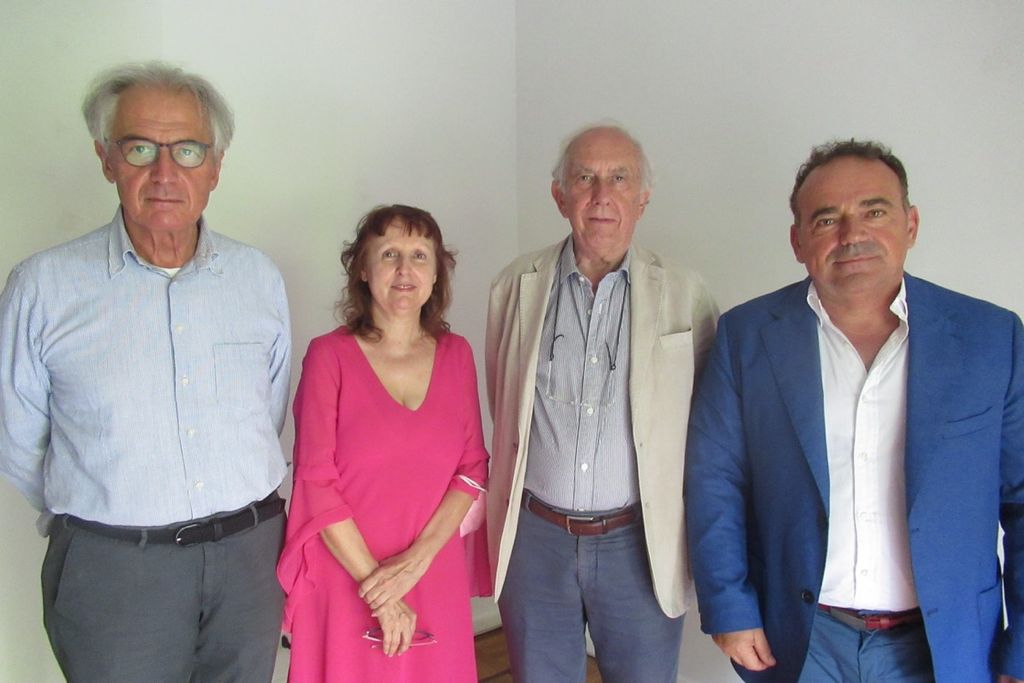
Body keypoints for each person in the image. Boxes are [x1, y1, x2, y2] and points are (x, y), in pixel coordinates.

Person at [685, 139, 1024, 682]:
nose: (852, 234)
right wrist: (728, 604)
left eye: (875, 211)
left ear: (911, 224)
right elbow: (714, 482)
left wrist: (1021, 648)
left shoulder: (992, 337)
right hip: (801, 641)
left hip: (947, 645)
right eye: (826, 220)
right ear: (798, 241)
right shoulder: (746, 336)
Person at [0, 62, 291, 681]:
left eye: (187, 150)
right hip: (116, 570)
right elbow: (18, 439)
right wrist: (103, 511)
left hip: (250, 562)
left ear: (215, 166)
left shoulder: (257, 277)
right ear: (106, 158)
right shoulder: (43, 287)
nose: (164, 172)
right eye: (139, 148)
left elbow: (266, 409)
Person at [485, 124, 718, 682]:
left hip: (639, 543)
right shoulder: (515, 285)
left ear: (643, 197)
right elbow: (503, 399)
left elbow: (707, 427)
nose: (601, 194)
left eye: (619, 178)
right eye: (585, 178)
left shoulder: (688, 294)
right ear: (559, 195)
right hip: (535, 540)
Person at [276, 204, 489, 682]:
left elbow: (473, 470)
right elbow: (315, 481)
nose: (404, 269)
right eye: (390, 253)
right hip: (346, 576)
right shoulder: (328, 356)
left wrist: (414, 565)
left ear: (437, 274)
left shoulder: (457, 355)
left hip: (430, 571)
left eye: (419, 255)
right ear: (363, 270)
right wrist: (381, 591)